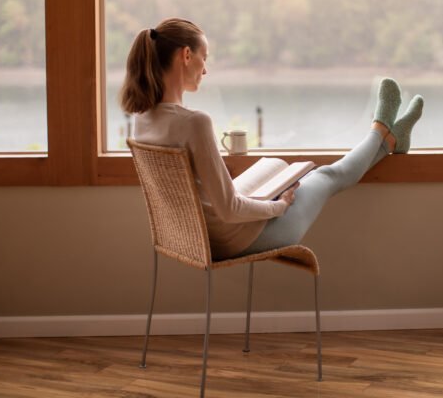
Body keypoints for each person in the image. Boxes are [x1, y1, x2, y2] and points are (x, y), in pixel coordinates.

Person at [121, 18, 423, 260]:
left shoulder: (142, 121)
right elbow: (229, 210)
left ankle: (392, 139)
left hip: (196, 237)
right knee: (327, 175)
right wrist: (278, 207)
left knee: (276, 168)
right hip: (236, 238)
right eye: (204, 57)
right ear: (186, 56)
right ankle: (383, 131)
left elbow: (215, 201)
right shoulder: (195, 123)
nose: (206, 68)